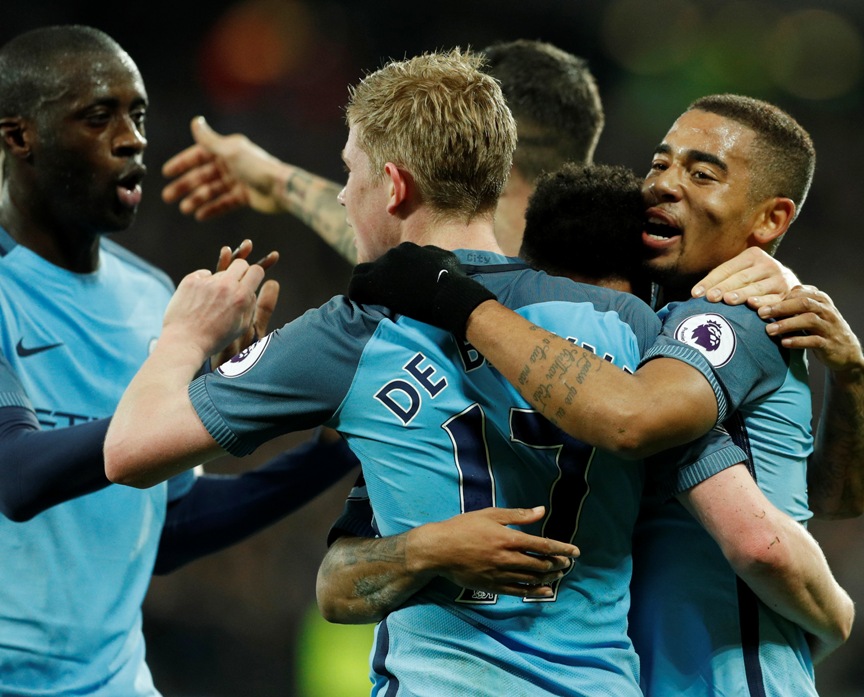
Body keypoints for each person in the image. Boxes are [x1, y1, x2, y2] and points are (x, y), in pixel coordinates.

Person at [104, 48, 666, 695]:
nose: (344, 195)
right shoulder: (626, 322)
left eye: (351, 174)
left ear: (394, 186)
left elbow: (129, 451)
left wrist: (183, 335)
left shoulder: (352, 330)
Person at [346, 95, 864, 694]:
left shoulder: (731, 317)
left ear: (770, 219)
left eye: (701, 173)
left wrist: (836, 613)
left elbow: (757, 537)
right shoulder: (649, 329)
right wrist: (852, 381)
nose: (664, 185)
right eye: (660, 163)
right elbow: (829, 498)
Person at [0, 25, 360, 696]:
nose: (133, 138)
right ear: (20, 136)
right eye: (98, 116)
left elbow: (168, 527)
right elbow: (16, 475)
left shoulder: (148, 296)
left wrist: (328, 449)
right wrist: (189, 364)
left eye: (137, 115)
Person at [159, 38, 604, 260]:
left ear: (490, 141)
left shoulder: (456, 299)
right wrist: (277, 181)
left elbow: (422, 260)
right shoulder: (630, 303)